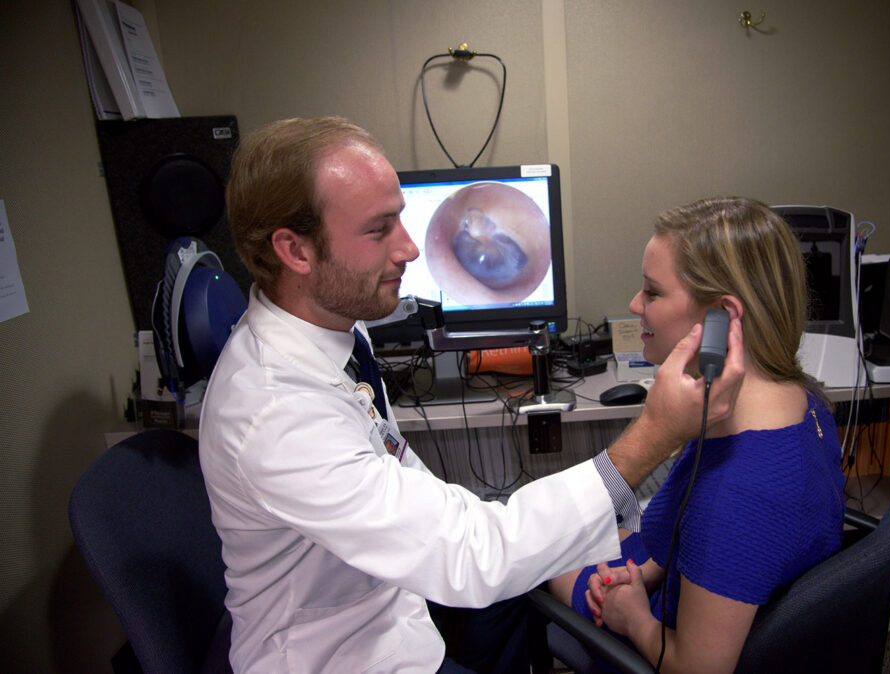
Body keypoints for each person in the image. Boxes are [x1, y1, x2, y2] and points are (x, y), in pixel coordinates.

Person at [197, 117, 745, 673]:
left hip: (393, 597)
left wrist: (507, 530)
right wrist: (653, 435)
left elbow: (402, 476)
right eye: (379, 229)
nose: (410, 249)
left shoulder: (338, 327)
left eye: (403, 221)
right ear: (295, 250)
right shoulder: (274, 412)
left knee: (512, 582)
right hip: (343, 654)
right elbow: (467, 557)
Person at [547, 197, 846, 673]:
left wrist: (635, 619)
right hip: (681, 586)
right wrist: (642, 574)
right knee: (589, 528)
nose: (634, 304)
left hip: (660, 641)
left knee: (540, 554)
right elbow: (697, 532)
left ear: (720, 317)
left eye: (652, 292)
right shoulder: (801, 399)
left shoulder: (737, 494)